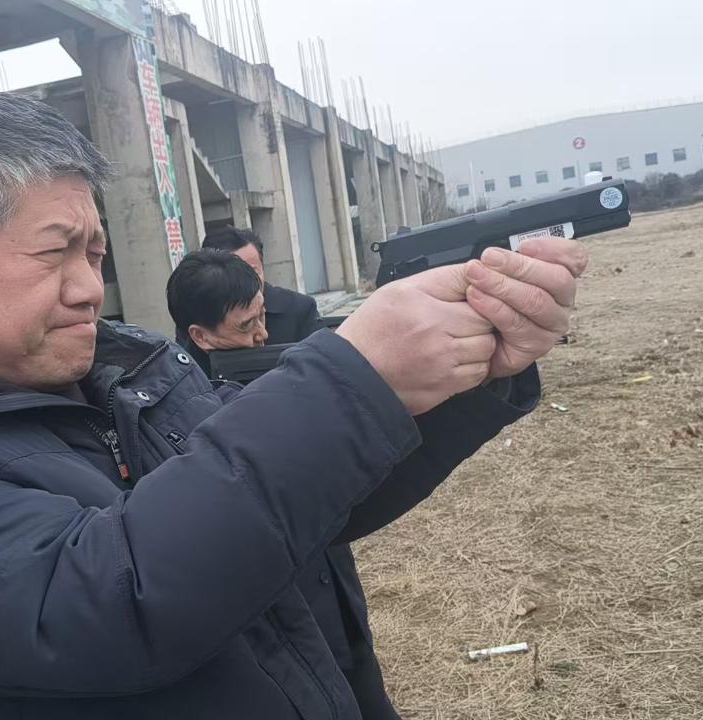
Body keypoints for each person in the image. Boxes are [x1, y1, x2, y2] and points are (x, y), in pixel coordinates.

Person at [0, 89, 587, 720]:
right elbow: (111, 600)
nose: (89, 288)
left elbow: (295, 510)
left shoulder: (131, 372)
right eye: (54, 253)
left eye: (94, 252)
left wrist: (459, 372)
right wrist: (352, 379)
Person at [166, 249, 522, 718]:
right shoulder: (180, 419)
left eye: (262, 316)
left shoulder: (274, 353)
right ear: (200, 336)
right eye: (246, 326)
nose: (262, 334)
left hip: (334, 589)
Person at [201, 226, 321, 343]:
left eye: (253, 272)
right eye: (235, 275)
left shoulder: (299, 309)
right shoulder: (201, 316)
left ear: (263, 268)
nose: (246, 281)